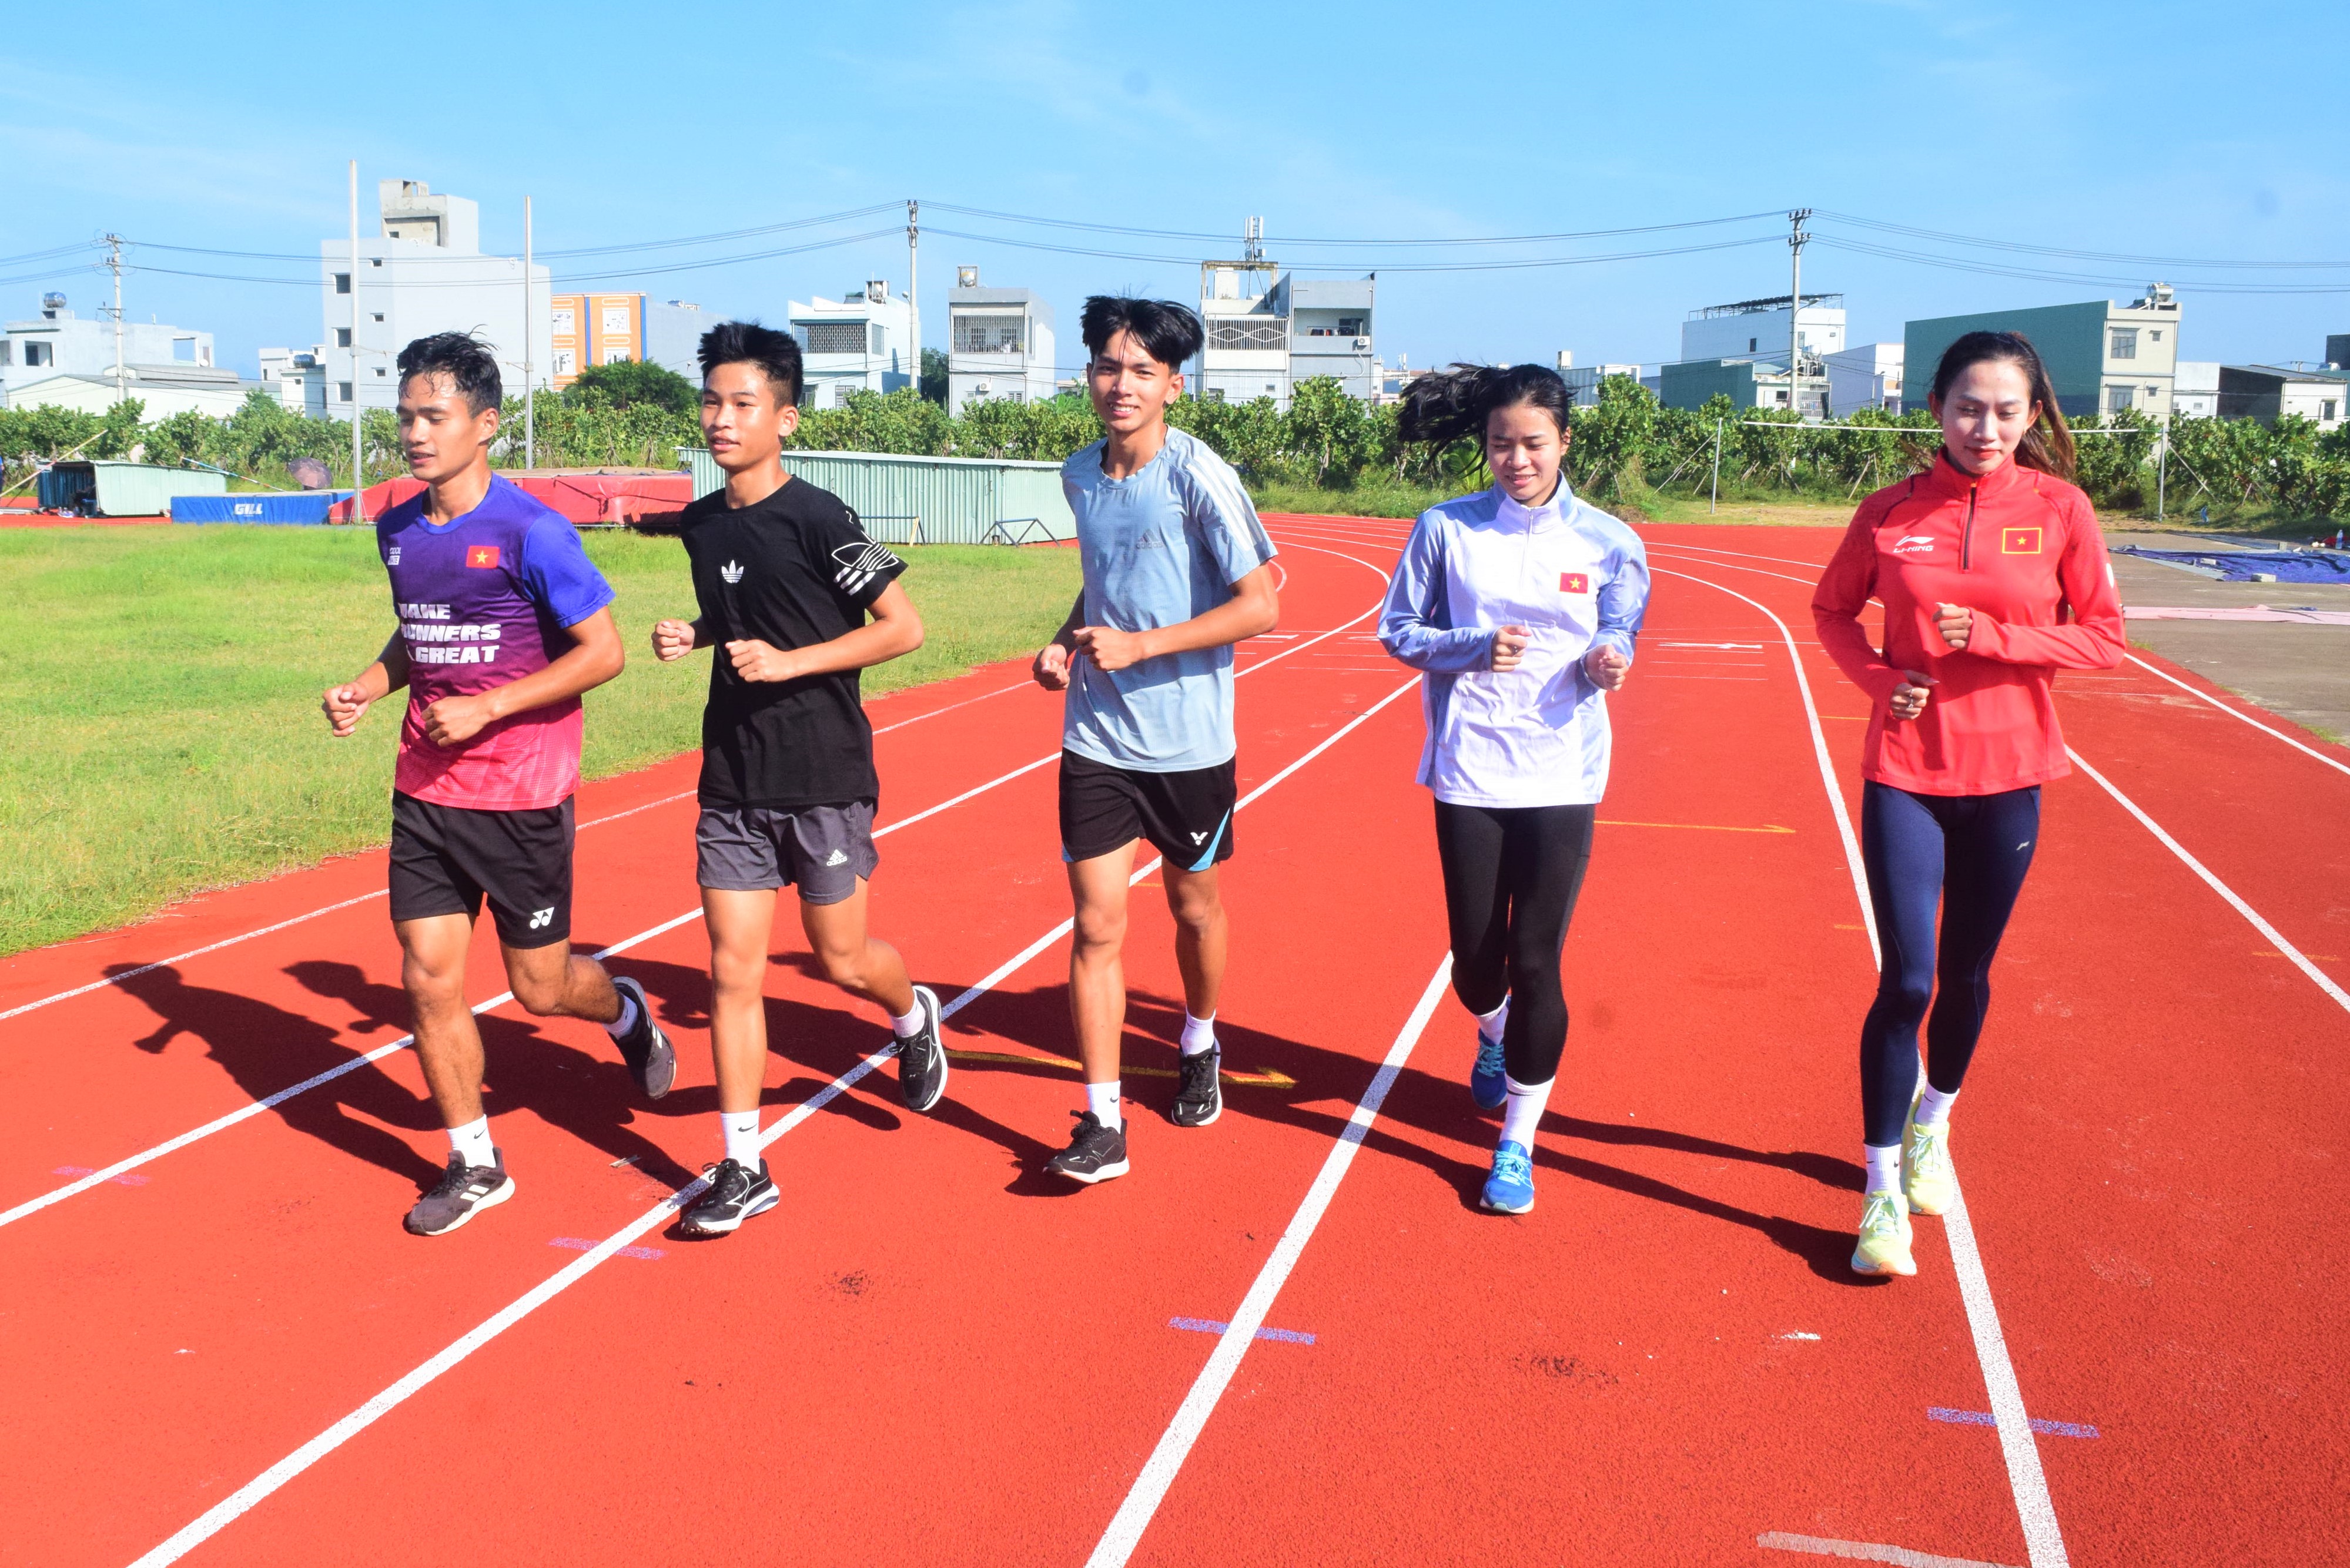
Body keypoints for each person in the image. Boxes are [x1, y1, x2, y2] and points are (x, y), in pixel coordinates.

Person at [321, 331, 674, 1237]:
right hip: (426, 792)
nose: (414, 432)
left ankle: (626, 1011)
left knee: (540, 990)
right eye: (405, 416)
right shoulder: (396, 528)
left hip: (521, 796)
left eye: (433, 416)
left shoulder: (534, 531)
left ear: (486, 425)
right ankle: (475, 1161)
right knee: (429, 980)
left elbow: (605, 653)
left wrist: (490, 708)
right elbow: (423, 630)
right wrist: (369, 684)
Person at [1812, 330, 2124, 1278]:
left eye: (2004, 410)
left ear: (2032, 415)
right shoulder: (1889, 510)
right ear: (1935, 408)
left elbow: (2103, 641)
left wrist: (1998, 637)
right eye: (1965, 407)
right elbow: (1831, 611)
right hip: (1905, 770)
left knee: (1967, 975)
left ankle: (1931, 1126)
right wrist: (1874, 678)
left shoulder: (2061, 509)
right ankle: (1877, 1198)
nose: (1983, 427)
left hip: (2010, 776)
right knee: (1905, 981)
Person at [651, 321, 945, 1238]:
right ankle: (744, 1162)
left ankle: (912, 1013)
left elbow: (902, 627)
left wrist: (791, 664)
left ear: (784, 417)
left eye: (742, 405)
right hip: (732, 777)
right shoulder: (704, 522)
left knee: (839, 958)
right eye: (711, 402)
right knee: (730, 974)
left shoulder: (822, 517)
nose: (722, 420)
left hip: (822, 773)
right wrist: (694, 634)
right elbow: (739, 601)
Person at [1377, 364, 1647, 1216]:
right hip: (1469, 766)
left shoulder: (1610, 541)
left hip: (1562, 771)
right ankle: (1490, 1036)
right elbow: (1398, 630)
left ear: (1565, 441)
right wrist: (1471, 646)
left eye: (1532, 443)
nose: (1516, 459)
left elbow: (1619, 631)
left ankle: (1517, 1144)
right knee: (1474, 964)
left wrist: (1610, 660)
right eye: (1501, 444)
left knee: (1536, 960)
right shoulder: (1444, 530)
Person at [1029, 296, 1280, 1184]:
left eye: (1141, 371)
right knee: (1096, 925)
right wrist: (1068, 640)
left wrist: (1143, 645)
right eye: (1107, 367)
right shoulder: (1078, 473)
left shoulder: (1198, 475)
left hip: (1187, 745)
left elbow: (1262, 604)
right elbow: (1102, 587)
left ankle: (1200, 1039)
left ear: (1174, 385)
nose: (1120, 385)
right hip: (1095, 737)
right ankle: (1101, 1123)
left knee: (1193, 908)